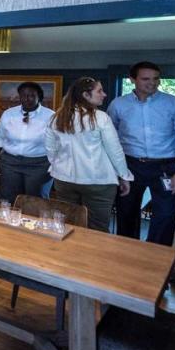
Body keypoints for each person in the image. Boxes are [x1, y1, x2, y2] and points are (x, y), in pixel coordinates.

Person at [107, 61, 175, 245]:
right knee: (126, 211)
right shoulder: (118, 105)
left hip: (167, 166)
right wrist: (116, 170)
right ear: (132, 79)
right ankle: (127, 253)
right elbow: (110, 138)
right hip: (130, 165)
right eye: (145, 79)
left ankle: (157, 260)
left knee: (165, 215)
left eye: (156, 79)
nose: (152, 83)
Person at [45, 77, 132, 233]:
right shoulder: (101, 117)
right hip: (97, 181)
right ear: (86, 95)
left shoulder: (57, 117)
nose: (104, 94)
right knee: (97, 228)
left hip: (64, 179)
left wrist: (59, 165)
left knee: (67, 225)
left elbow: (50, 150)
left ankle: (68, 256)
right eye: (99, 91)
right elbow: (115, 151)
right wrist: (124, 175)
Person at [0, 81, 54, 202]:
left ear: (39, 97)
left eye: (31, 95)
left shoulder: (51, 116)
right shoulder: (9, 114)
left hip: (39, 165)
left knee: (35, 200)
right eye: (23, 95)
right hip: (10, 163)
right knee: (7, 198)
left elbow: (57, 144)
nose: (27, 99)